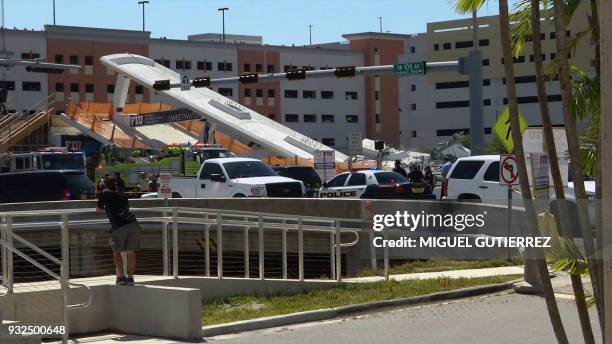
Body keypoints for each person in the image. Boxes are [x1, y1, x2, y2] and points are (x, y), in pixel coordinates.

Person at [96, 183, 140, 286]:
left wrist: (106, 209)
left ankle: (120, 277)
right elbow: (125, 208)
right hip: (133, 223)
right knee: (131, 252)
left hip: (118, 225)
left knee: (116, 252)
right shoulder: (123, 195)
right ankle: (130, 278)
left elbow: (98, 209)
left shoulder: (105, 194)